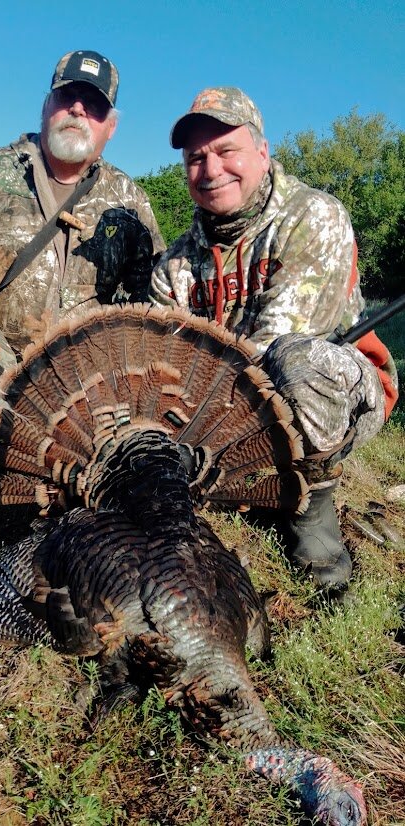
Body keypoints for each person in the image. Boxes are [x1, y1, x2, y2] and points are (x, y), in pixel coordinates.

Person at [151, 86, 398, 592]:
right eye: (196, 158)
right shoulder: (173, 264)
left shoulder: (313, 216)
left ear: (262, 153)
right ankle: (234, 485)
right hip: (220, 411)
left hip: (330, 396)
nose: (211, 169)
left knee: (297, 361)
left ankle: (311, 512)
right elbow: (163, 364)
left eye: (226, 151)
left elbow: (272, 349)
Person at [0, 50, 165, 472]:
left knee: (119, 471)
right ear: (47, 106)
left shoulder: (129, 199)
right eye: (67, 97)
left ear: (111, 127)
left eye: (95, 105)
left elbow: (152, 294)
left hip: (91, 390)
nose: (79, 109)